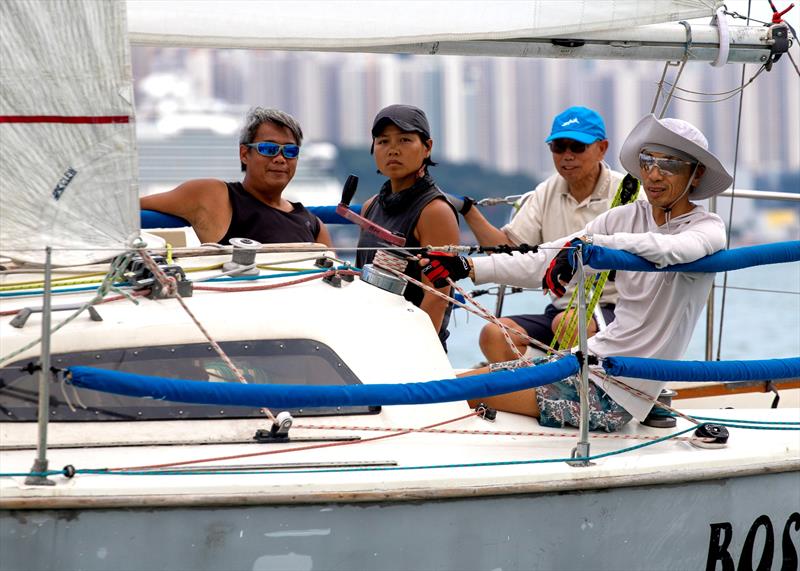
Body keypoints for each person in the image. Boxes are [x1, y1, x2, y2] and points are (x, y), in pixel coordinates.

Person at [421, 114, 732, 432]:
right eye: (647, 161)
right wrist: (467, 266)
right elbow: (545, 258)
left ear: (696, 174)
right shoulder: (622, 218)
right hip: (585, 361)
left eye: (669, 164)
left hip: (616, 395)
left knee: (455, 392)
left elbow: (672, 249)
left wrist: (588, 246)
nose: (653, 174)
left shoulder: (707, 228)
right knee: (454, 385)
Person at [450, 106, 626, 362]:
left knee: (567, 325)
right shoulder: (546, 191)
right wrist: (468, 210)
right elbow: (507, 250)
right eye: (558, 147)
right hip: (560, 311)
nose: (567, 155)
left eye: (577, 147)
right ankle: (537, 394)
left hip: (617, 312)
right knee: (494, 335)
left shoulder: (629, 194)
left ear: (602, 148)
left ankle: (572, 392)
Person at [140, 107, 332, 247]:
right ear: (244, 154)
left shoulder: (314, 224)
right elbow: (130, 206)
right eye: (268, 149)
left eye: (290, 151)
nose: (280, 158)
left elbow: (336, 280)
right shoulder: (214, 196)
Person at [355, 104, 460, 348]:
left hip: (412, 351)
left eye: (404, 140)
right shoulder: (370, 207)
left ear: (427, 147)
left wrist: (412, 355)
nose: (393, 149)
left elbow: (437, 297)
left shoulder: (435, 211)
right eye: (383, 141)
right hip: (369, 343)